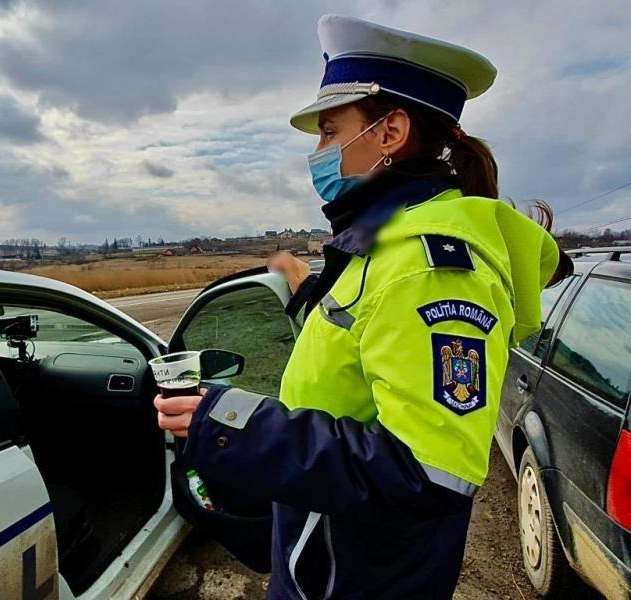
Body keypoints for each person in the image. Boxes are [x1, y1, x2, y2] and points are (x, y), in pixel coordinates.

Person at [155, 14, 572, 599]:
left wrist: (236, 426)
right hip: (331, 561)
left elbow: (426, 473)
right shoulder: (385, 240)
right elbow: (365, 339)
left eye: (330, 132)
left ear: (390, 131)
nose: (319, 152)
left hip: (358, 580)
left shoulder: (432, 270)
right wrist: (305, 290)